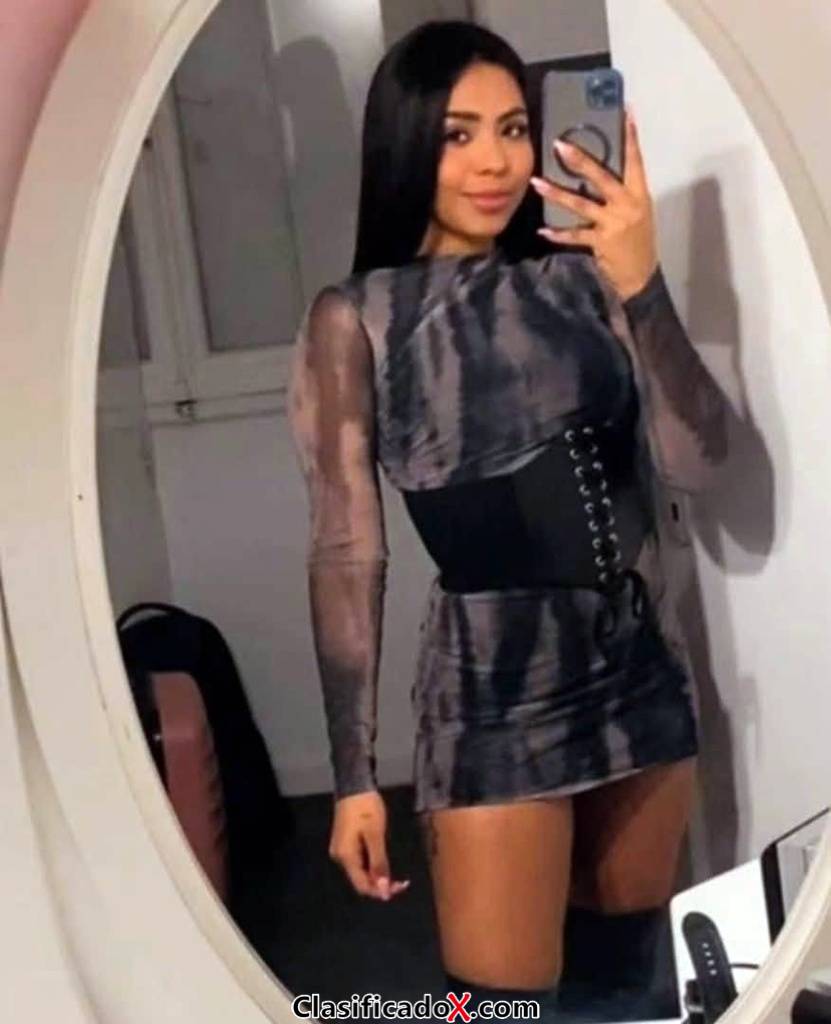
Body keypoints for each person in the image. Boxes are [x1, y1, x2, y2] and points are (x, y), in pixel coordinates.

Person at [287, 19, 728, 1023]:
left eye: (514, 127)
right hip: (494, 694)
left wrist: (642, 279)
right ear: (406, 144)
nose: (493, 161)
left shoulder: (584, 277)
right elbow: (346, 550)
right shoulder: (358, 315)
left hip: (637, 673)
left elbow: (703, 461)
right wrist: (353, 776)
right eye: (458, 134)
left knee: (631, 995)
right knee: (498, 1012)